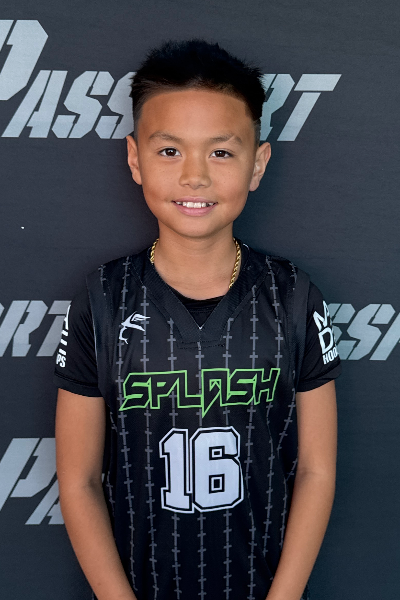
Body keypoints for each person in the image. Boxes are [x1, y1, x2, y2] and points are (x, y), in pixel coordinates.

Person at [54, 39, 341, 600]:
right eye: (169, 151)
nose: (194, 177)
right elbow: (80, 479)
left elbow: (317, 470)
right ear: (134, 159)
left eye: (221, 153)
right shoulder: (103, 298)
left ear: (258, 163)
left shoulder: (292, 296)